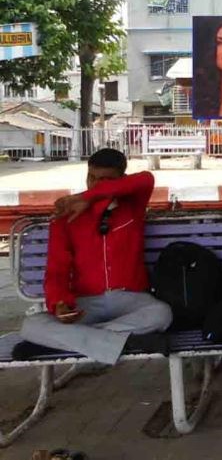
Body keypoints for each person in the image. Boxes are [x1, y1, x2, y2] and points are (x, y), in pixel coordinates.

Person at [16, 149, 173, 364]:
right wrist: (59, 303)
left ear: (121, 179)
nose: (96, 184)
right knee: (31, 325)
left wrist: (87, 197)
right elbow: (57, 269)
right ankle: (126, 342)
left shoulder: (133, 205)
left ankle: (60, 340)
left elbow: (145, 179)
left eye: (106, 180)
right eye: (92, 177)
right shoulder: (65, 218)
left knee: (162, 314)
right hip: (86, 302)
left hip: (131, 299)